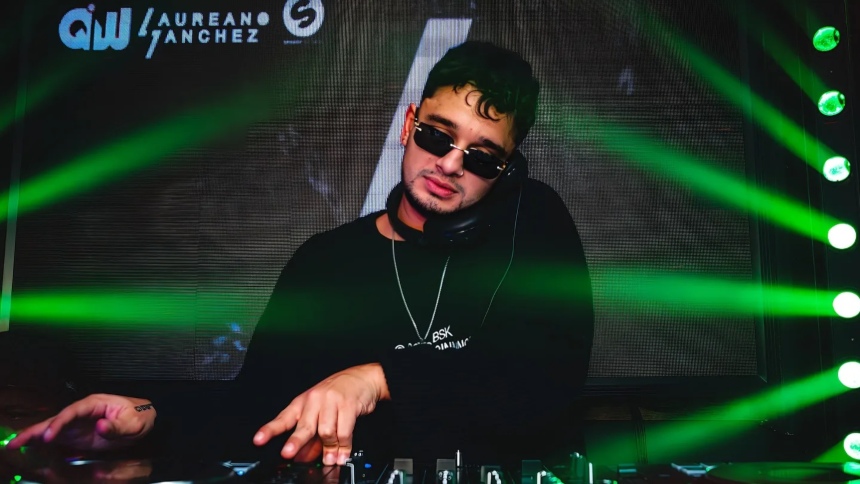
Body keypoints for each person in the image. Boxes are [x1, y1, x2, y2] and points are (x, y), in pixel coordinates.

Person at [6, 41, 594, 466]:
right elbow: (255, 407)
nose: (449, 164)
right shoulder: (326, 261)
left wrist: (378, 379)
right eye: (437, 135)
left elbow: (544, 383)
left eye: (482, 157)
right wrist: (147, 415)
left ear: (507, 172)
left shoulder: (533, 224)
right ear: (408, 124)